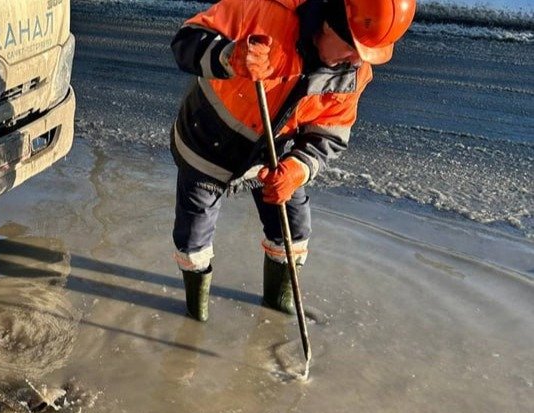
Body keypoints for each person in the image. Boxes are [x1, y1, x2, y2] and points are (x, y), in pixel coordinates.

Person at [169, 0, 415, 320]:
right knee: (193, 235)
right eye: (354, 48)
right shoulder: (263, 9)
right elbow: (185, 42)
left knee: (293, 228)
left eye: (367, 54)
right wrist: (229, 55)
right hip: (207, 141)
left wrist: (297, 169)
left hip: (275, 153)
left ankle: (278, 300)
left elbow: (329, 134)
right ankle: (195, 311)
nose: (357, 61)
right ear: (329, 23)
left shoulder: (354, 73)